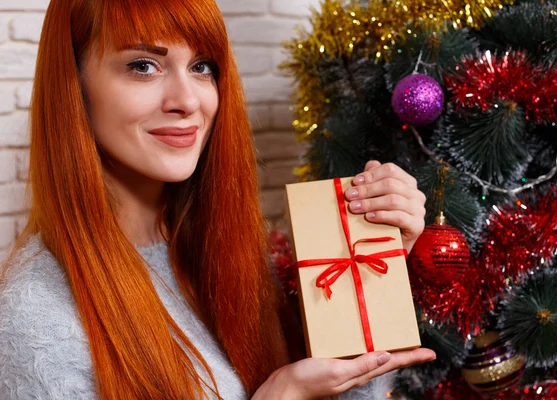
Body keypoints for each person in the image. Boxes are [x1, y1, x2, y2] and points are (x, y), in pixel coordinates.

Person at [0, 0, 436, 398]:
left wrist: (377, 266)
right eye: (143, 66)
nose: (188, 101)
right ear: (73, 84)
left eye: (202, 66)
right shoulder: (35, 315)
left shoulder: (229, 247)